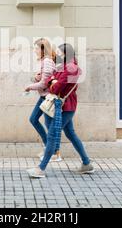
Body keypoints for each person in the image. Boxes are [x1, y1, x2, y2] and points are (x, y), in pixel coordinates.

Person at [27, 44, 94, 178]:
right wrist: (53, 80)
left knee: (52, 135)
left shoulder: (70, 69)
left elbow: (55, 88)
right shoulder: (65, 66)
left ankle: (41, 169)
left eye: (58, 53)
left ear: (65, 54)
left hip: (64, 107)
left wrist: (53, 82)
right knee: (70, 134)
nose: (56, 55)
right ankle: (87, 164)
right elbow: (52, 80)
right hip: (64, 106)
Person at [24, 38, 61, 162]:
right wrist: (36, 77)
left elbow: (44, 84)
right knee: (37, 120)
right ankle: (49, 149)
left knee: (47, 124)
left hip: (48, 97)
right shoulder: (45, 61)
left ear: (42, 49)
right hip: (44, 96)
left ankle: (54, 152)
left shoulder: (48, 61)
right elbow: (44, 79)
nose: (34, 50)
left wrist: (30, 87)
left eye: (36, 48)